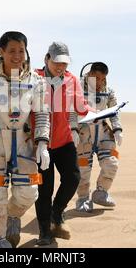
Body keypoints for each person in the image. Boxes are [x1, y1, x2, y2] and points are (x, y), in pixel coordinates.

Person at [0, 31, 51, 248]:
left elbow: (42, 113)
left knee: (29, 193)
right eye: (12, 51)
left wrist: (42, 143)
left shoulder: (36, 81)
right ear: (1, 51)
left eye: (21, 51)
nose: (17, 55)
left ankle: (12, 216)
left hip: (24, 144)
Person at [34, 42, 94, 246]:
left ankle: (56, 213)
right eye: (57, 62)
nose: (61, 67)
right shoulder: (33, 77)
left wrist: (95, 113)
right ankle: (44, 231)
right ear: (47, 59)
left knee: (73, 178)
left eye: (64, 63)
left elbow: (80, 107)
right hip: (39, 143)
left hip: (64, 140)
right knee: (45, 188)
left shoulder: (72, 79)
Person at [72, 62, 124, 213]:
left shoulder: (108, 92)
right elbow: (72, 112)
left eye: (103, 79)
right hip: (84, 134)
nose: (100, 82)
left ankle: (101, 192)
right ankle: (83, 198)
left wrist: (117, 129)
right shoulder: (78, 89)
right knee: (83, 169)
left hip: (102, 133)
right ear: (89, 74)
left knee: (111, 163)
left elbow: (114, 112)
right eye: (97, 78)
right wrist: (73, 129)